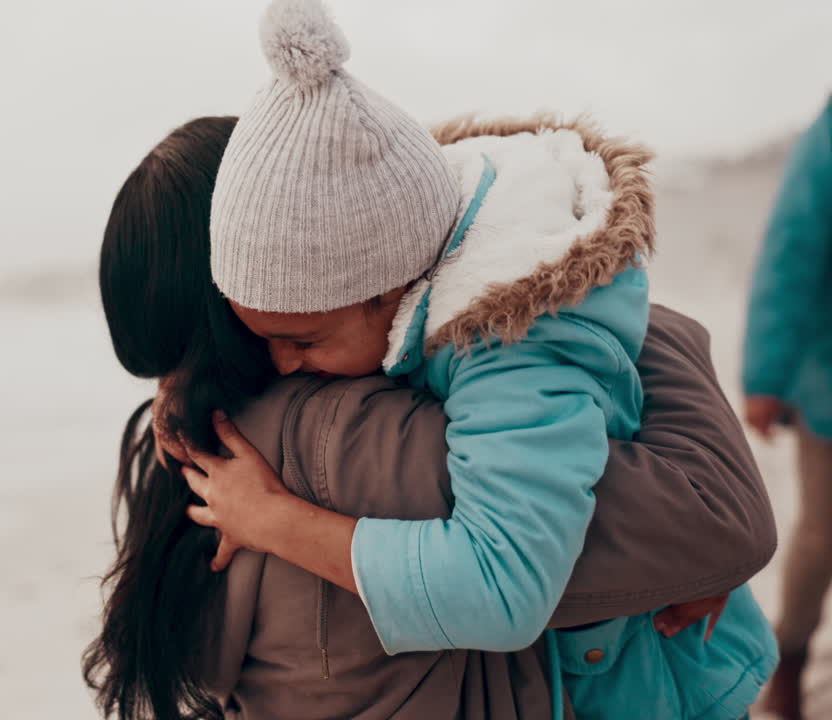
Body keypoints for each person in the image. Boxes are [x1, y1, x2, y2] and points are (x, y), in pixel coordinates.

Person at [175, 2, 773, 718]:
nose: (280, 366)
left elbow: (501, 588)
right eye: (261, 338)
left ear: (389, 289)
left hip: (642, 685)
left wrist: (274, 521)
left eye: (303, 341)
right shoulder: (419, 243)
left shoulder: (510, 347)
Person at [746, 95, 832, 720]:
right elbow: (790, 256)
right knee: (821, 537)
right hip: (827, 385)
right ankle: (791, 660)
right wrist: (765, 378)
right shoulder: (826, 141)